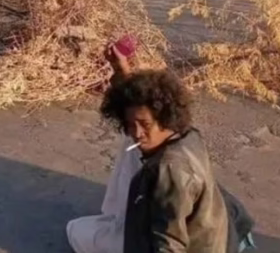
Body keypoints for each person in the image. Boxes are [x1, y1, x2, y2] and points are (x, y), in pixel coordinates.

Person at [67, 44, 257, 253]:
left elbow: (169, 243)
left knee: (76, 230)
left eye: (144, 125)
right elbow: (140, 105)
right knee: (131, 143)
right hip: (227, 227)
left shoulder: (169, 171)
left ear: (164, 118)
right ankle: (118, 221)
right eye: (131, 124)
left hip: (207, 246)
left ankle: (116, 225)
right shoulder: (185, 134)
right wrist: (122, 71)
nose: (138, 133)